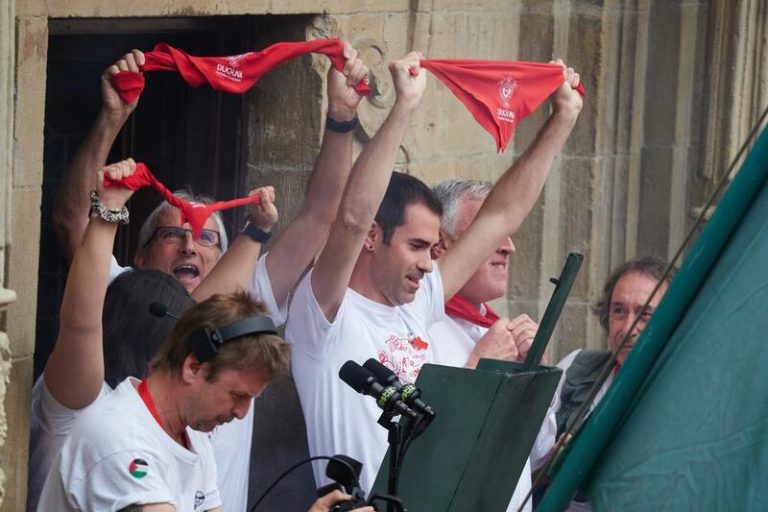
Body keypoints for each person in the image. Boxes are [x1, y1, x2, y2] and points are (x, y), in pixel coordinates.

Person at [49, 44, 369, 511]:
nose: (189, 245)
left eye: (207, 240)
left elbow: (320, 216)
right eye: (173, 234)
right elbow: (75, 221)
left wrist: (341, 117)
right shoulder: (114, 299)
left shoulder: (194, 429)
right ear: (137, 256)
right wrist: (113, 120)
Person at [286, 51, 583, 491]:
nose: (430, 263)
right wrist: (403, 107)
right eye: (417, 246)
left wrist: (563, 119)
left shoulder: (417, 303)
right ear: (372, 237)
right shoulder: (324, 315)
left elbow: (500, 217)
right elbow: (349, 217)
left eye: (432, 248)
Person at [428, 178, 555, 512]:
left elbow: (538, 452)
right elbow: (422, 452)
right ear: (441, 245)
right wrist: (479, 370)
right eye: (491, 233)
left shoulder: (493, 324)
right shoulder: (420, 331)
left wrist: (537, 376)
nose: (509, 247)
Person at [551, 255, 673, 510]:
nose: (629, 327)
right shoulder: (577, 367)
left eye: (645, 314)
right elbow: (523, 468)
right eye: (619, 311)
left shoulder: (686, 390)